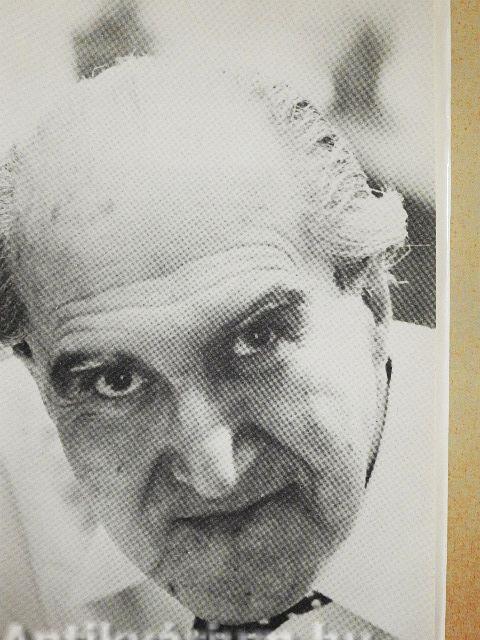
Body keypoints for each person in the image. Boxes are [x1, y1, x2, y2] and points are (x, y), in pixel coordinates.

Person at [0, 56, 436, 640]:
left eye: (257, 340)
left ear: (373, 305)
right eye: (115, 383)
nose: (214, 473)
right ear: (37, 381)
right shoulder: (15, 505)